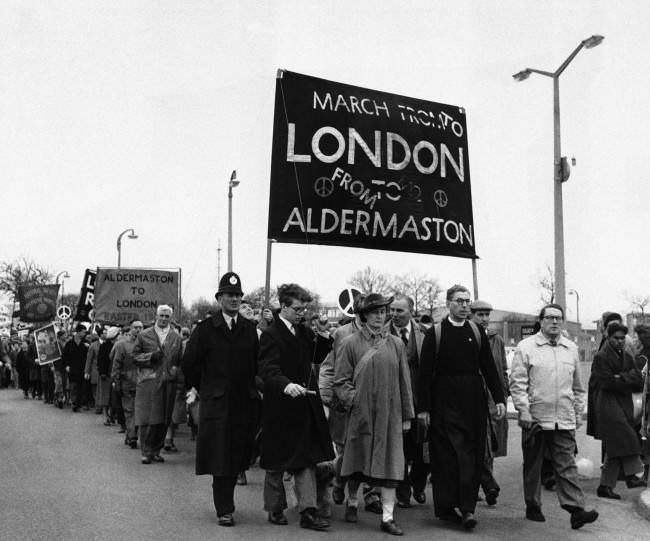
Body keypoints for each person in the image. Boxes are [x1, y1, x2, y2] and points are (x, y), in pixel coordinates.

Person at [416, 285, 506, 531]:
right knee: (446, 456)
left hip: (473, 401)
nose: (465, 305)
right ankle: (447, 507)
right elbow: (424, 374)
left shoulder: (477, 331)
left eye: (467, 301)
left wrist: (499, 398)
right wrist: (423, 408)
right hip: (443, 400)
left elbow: (489, 368)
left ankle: (467, 509)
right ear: (448, 304)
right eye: (459, 301)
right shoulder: (436, 333)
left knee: (471, 454)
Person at [182, 272, 261, 527]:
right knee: (220, 457)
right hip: (217, 404)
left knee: (239, 455)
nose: (235, 299)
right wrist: (204, 388)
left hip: (244, 403)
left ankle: (228, 501)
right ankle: (224, 509)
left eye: (238, 295)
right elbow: (189, 364)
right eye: (229, 295)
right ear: (219, 298)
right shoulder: (205, 329)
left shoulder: (249, 330)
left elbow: (257, 364)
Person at [509, 303, 598, 530]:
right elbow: (518, 384)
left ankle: (576, 510)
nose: (555, 322)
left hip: (564, 418)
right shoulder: (526, 347)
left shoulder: (570, 349)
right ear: (541, 321)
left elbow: (578, 387)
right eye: (550, 318)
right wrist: (524, 410)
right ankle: (533, 505)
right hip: (536, 417)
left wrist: (577, 413)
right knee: (534, 464)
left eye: (559, 318)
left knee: (566, 464)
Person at [335, 293, 414, 536]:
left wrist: (406, 416)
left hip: (390, 416)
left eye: (383, 312)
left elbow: (404, 382)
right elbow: (340, 381)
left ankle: (387, 518)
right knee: (356, 461)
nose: (381, 316)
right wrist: (355, 402)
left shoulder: (396, 344)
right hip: (361, 414)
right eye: (375, 312)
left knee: (391, 466)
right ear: (364, 315)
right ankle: (352, 501)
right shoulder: (350, 343)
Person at [258, 283, 334, 531]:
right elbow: (267, 368)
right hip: (280, 406)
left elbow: (317, 355)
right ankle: (275, 507)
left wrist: (322, 335)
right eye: (298, 309)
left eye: (304, 309)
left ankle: (308, 512)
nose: (302, 313)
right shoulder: (271, 334)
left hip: (303, 406)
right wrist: (285, 385)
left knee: (306, 460)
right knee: (276, 461)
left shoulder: (303, 331)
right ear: (284, 306)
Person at [587, 322, 646, 498]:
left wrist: (620, 377)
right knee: (627, 436)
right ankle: (632, 474)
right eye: (616, 338)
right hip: (607, 403)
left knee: (616, 445)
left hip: (622, 402)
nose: (619, 341)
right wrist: (625, 379)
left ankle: (605, 486)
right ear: (609, 337)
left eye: (622, 338)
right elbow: (606, 382)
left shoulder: (627, 356)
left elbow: (638, 379)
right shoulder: (601, 357)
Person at [386, 294, 427, 509]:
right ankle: (402, 492)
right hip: (394, 402)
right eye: (391, 310)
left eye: (399, 310)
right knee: (398, 448)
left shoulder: (425, 334)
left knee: (421, 448)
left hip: (419, 401)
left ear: (411, 310)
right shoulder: (382, 334)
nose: (394, 314)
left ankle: (418, 484)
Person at [470, 300, 509, 506]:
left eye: (487, 315)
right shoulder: (465, 337)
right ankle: (483, 484)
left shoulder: (496, 340)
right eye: (480, 315)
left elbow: (502, 369)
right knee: (476, 441)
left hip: (492, 399)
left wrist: (503, 395)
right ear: (471, 315)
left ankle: (486, 482)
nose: (484, 319)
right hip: (471, 397)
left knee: (490, 441)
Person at [133, 305, 183, 464]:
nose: (163, 319)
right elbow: (134, 357)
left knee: (164, 419)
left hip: (168, 382)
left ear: (171, 318)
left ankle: (156, 450)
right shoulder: (144, 335)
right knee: (147, 418)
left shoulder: (176, 337)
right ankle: (146, 451)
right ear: (156, 316)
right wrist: (150, 357)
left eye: (167, 316)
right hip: (148, 382)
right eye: (161, 315)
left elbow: (180, 361)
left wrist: (176, 371)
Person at [111, 320, 144, 448]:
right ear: (130, 329)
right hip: (127, 383)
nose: (138, 330)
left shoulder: (146, 344)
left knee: (138, 410)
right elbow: (116, 364)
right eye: (135, 327)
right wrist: (116, 381)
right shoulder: (122, 345)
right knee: (129, 410)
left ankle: (131, 434)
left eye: (140, 327)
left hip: (142, 382)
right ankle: (132, 435)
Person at [62, 324, 89, 412]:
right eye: (84, 332)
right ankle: (74, 403)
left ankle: (79, 404)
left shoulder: (85, 344)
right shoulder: (69, 344)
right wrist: (66, 365)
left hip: (82, 369)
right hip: (72, 369)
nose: (85, 334)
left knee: (81, 387)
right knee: (73, 386)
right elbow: (64, 356)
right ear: (78, 332)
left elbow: (87, 357)